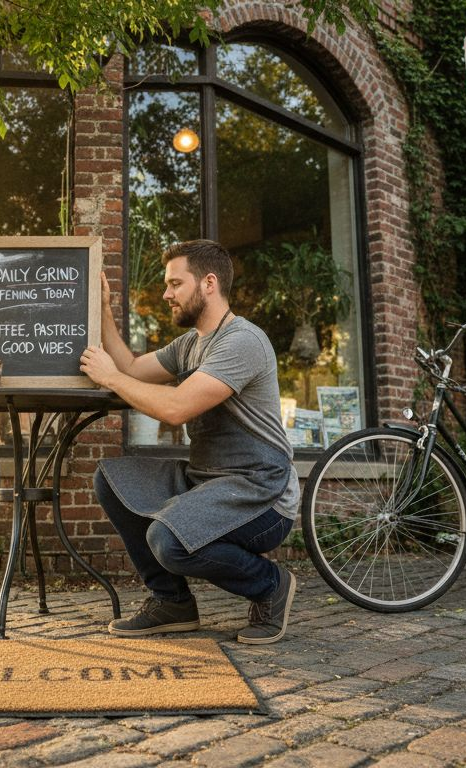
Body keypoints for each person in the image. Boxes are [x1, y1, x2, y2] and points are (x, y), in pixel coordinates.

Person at [78, 239, 299, 644]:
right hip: (207, 481)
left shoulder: (242, 341)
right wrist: (105, 311)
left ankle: (271, 586)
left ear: (209, 283)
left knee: (168, 541)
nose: (166, 294)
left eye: (175, 284)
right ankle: (171, 602)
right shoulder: (189, 344)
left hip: (262, 492)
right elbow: (131, 367)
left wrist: (109, 378)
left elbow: (176, 407)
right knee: (111, 478)